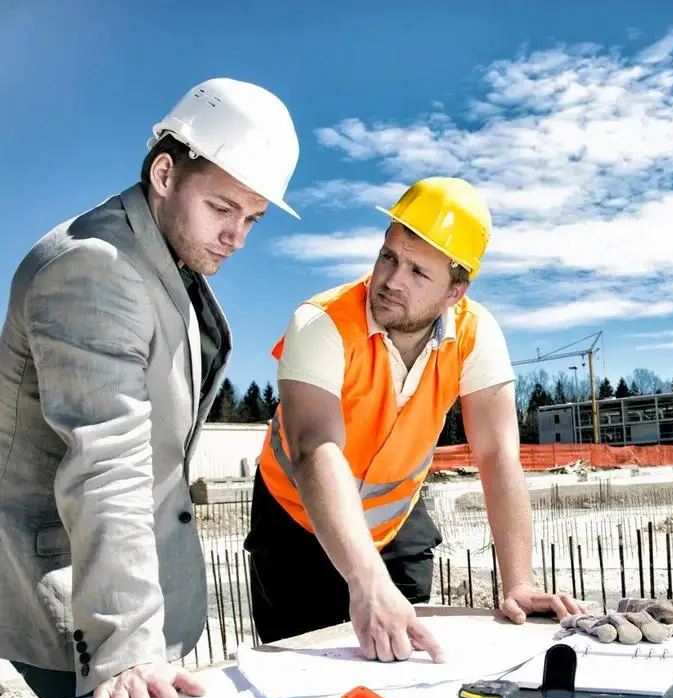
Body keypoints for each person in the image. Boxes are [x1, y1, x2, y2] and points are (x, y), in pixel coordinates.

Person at [0, 77, 300, 698]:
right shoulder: (96, 268)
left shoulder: (164, 258)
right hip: (81, 602)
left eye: (253, 218)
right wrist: (127, 649)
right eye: (223, 209)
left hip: (136, 594)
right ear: (165, 173)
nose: (238, 237)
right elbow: (105, 460)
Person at [244, 177, 587, 664]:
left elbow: (495, 454)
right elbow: (314, 447)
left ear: (456, 290)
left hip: (395, 528)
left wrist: (519, 583)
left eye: (418, 273)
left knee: (402, 666)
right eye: (389, 257)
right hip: (297, 524)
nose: (391, 281)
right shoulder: (320, 322)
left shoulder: (475, 333)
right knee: (305, 677)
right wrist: (366, 584)